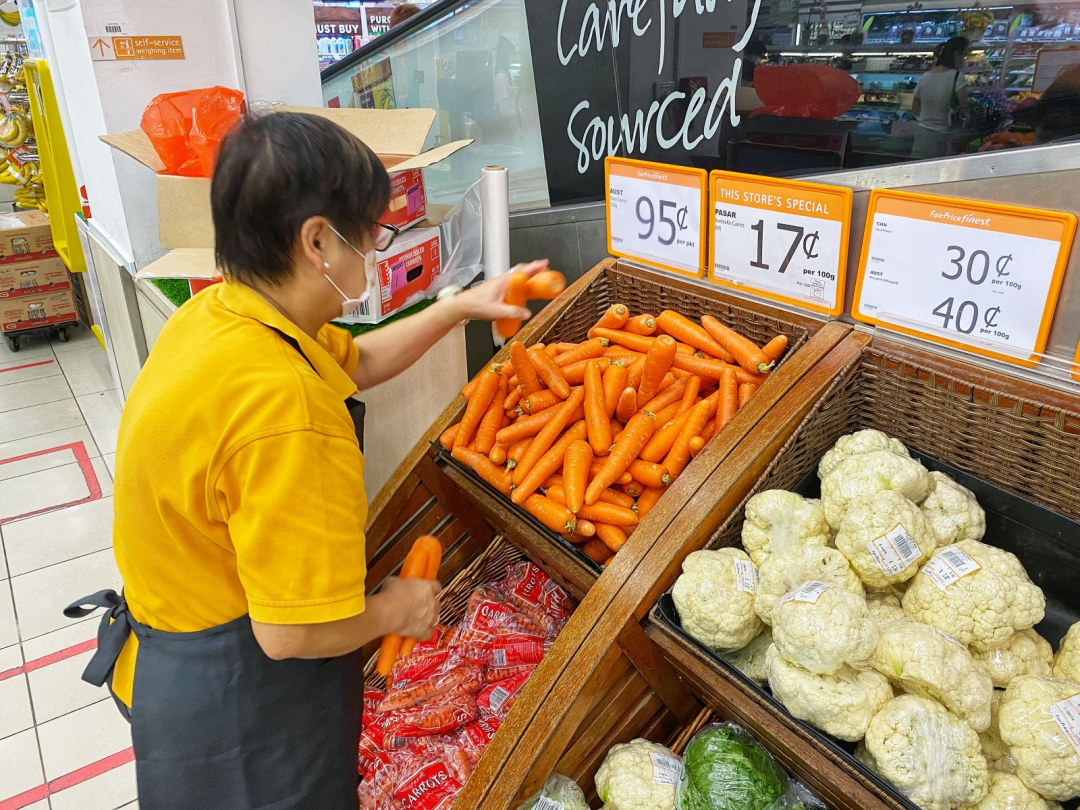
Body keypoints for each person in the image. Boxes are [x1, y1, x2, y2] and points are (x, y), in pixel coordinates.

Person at [64, 111, 548, 810]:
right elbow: (290, 633)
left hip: (174, 666)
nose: (376, 254)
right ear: (317, 240)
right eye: (372, 234)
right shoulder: (284, 407)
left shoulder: (223, 318)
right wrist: (393, 610)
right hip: (246, 709)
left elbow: (361, 359)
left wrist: (457, 308)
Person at [911, 36, 970, 159]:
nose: (964, 59)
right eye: (963, 55)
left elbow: (915, 106)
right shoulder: (957, 76)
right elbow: (965, 107)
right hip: (944, 137)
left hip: (922, 135)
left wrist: (925, 119)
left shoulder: (926, 76)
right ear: (956, 54)